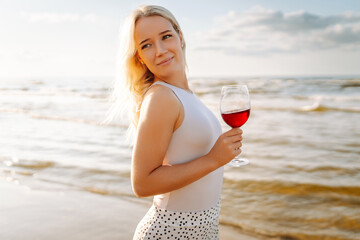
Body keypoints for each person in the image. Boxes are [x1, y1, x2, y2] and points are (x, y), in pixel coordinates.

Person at [109, 5, 243, 239]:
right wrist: (213, 159)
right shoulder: (161, 97)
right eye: (146, 45)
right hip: (169, 232)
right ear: (139, 57)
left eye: (166, 37)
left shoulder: (185, 95)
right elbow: (142, 184)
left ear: (180, 37)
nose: (160, 50)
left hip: (204, 231)